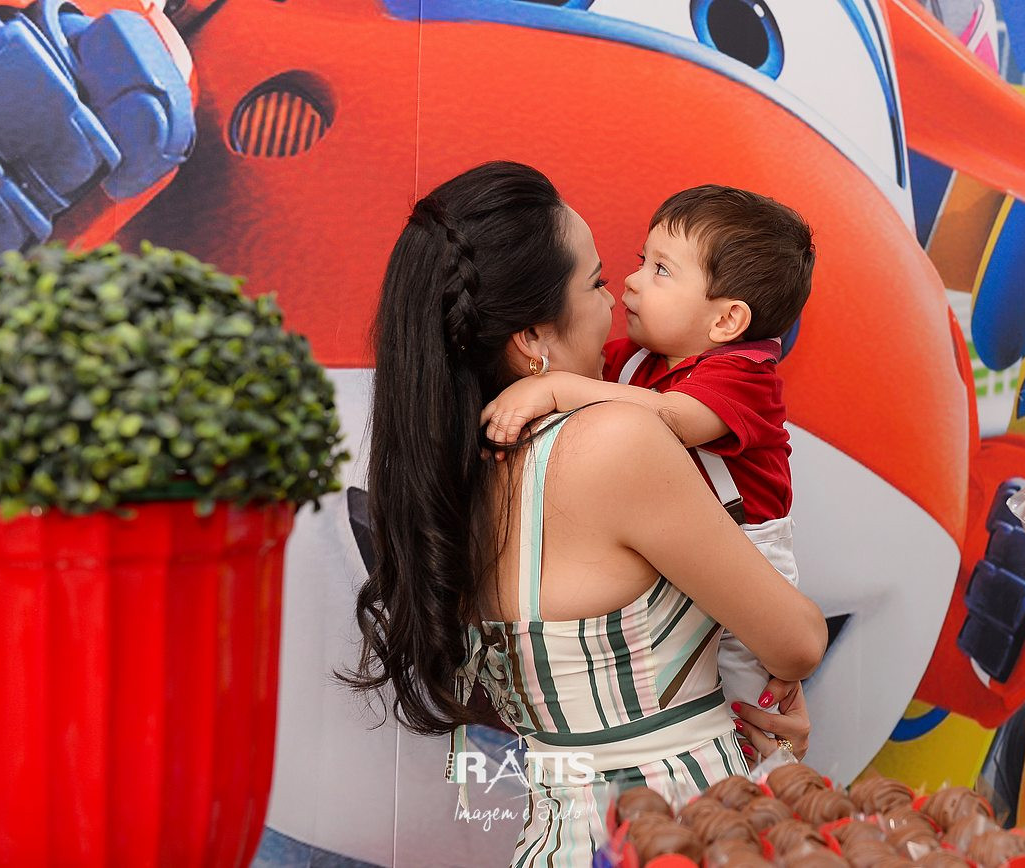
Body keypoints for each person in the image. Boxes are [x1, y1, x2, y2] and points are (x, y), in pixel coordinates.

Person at [343, 161, 826, 867]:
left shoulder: (459, 470)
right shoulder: (614, 441)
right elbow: (798, 642)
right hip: (681, 835)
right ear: (533, 338)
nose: (621, 297)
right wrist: (775, 728)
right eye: (599, 282)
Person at [480, 185, 814, 721]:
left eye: (661, 270)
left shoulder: (744, 375)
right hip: (684, 546)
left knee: (747, 703)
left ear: (726, 322)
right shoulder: (638, 361)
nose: (631, 282)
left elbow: (671, 419)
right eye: (643, 261)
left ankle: (763, 763)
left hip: (747, 551)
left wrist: (554, 387)